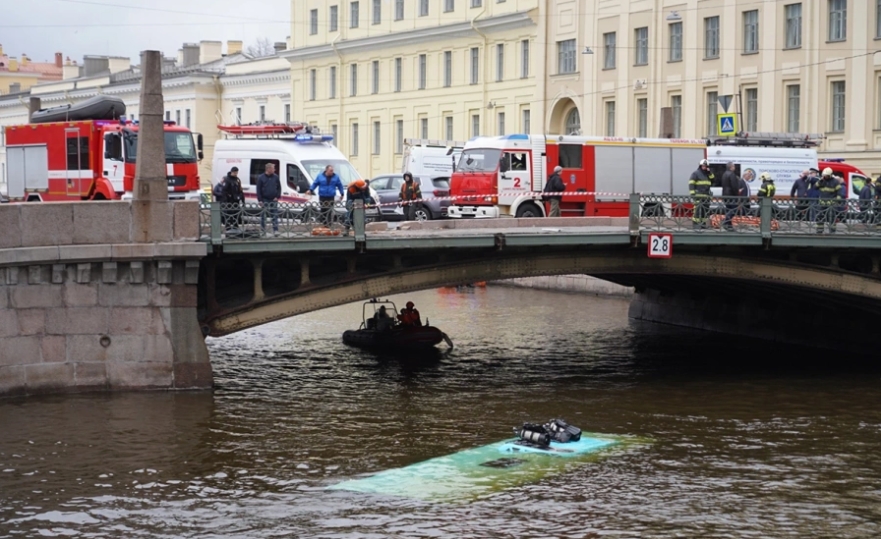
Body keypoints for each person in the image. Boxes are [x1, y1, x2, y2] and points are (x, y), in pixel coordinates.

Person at [256, 162, 281, 236]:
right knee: (263, 216)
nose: (274, 170)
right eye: (273, 168)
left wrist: (277, 196)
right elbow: (258, 189)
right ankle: (263, 230)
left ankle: (275, 230)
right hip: (264, 199)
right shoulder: (261, 178)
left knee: (275, 215)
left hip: (273, 199)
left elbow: (279, 187)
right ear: (268, 169)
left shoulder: (276, 177)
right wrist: (260, 200)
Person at [816, 167, 843, 234]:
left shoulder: (835, 182)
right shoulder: (822, 181)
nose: (825, 177)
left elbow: (839, 192)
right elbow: (815, 187)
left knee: (832, 217)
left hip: (831, 204)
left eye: (826, 176)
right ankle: (819, 230)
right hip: (822, 203)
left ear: (830, 175)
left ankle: (832, 230)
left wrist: (837, 200)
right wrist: (820, 181)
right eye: (824, 175)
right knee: (820, 217)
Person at [688, 159, 714, 229]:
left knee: (704, 211)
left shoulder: (708, 174)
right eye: (703, 166)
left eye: (706, 166)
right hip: (698, 196)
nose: (705, 167)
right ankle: (696, 224)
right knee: (697, 211)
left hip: (706, 196)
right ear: (700, 166)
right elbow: (691, 183)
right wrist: (693, 194)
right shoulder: (696, 173)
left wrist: (710, 173)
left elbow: (713, 180)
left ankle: (703, 224)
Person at [720, 162, 740, 230]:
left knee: (728, 209)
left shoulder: (724, 174)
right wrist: (737, 194)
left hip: (725, 195)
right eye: (734, 166)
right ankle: (725, 221)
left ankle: (729, 225)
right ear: (731, 167)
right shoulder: (732, 174)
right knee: (734, 209)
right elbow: (734, 186)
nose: (735, 167)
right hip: (731, 195)